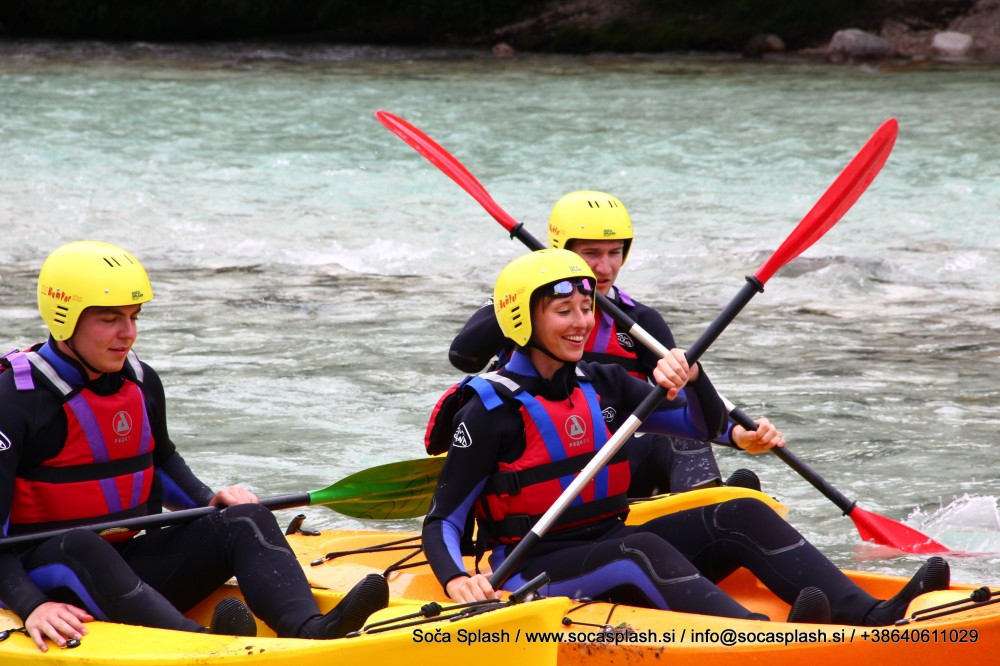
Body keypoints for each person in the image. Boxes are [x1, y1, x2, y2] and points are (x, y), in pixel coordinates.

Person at [422, 248, 950, 625]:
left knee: (740, 509)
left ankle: (868, 613)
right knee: (641, 547)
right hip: (530, 569)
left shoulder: (602, 382)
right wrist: (454, 579)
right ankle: (755, 636)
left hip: (607, 538)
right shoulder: (489, 411)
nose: (581, 323)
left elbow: (699, 425)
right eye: (564, 312)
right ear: (522, 321)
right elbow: (443, 519)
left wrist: (693, 377)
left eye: (586, 309)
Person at [0, 241, 389, 652]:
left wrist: (210, 501)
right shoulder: (14, 400)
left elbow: (161, 461)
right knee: (80, 543)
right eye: (110, 319)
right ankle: (205, 647)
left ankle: (312, 631)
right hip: (43, 576)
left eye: (134, 317)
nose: (127, 334)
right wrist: (32, 606)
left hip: (127, 565)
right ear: (65, 320)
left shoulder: (140, 380)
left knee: (244, 516)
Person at [447, 190, 772, 495]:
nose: (604, 268)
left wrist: (736, 433)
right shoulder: (520, 307)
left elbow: (682, 405)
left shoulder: (642, 322)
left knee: (683, 445)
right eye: (590, 254)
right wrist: (523, 293)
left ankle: (712, 522)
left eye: (614, 253)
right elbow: (465, 357)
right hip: (536, 461)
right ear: (562, 251)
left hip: (614, 463)